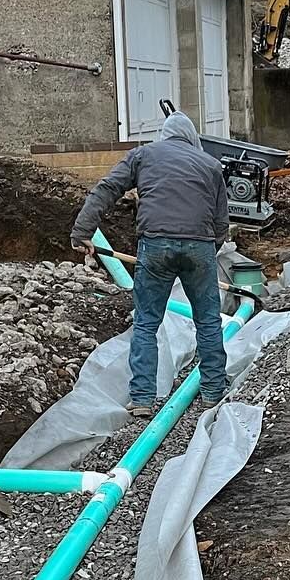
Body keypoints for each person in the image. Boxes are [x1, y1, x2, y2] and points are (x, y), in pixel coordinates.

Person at [71, 110, 229, 420]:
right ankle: (213, 392)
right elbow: (221, 221)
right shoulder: (210, 166)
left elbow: (107, 189)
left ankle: (142, 398)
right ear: (192, 138)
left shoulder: (143, 155)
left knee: (146, 322)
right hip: (200, 245)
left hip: (155, 245)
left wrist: (83, 232)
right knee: (208, 321)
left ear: (165, 136)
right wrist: (208, 254)